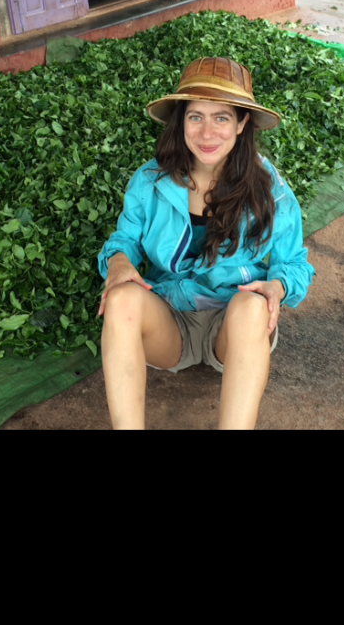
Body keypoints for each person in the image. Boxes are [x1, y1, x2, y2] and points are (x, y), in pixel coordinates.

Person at [98, 57, 315, 431]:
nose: (207, 132)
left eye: (222, 118)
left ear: (242, 124)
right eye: (196, 117)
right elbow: (125, 240)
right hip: (169, 318)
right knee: (120, 299)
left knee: (253, 306)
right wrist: (118, 261)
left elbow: (295, 263)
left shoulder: (271, 190)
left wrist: (277, 287)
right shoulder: (150, 181)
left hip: (234, 327)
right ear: (181, 121)